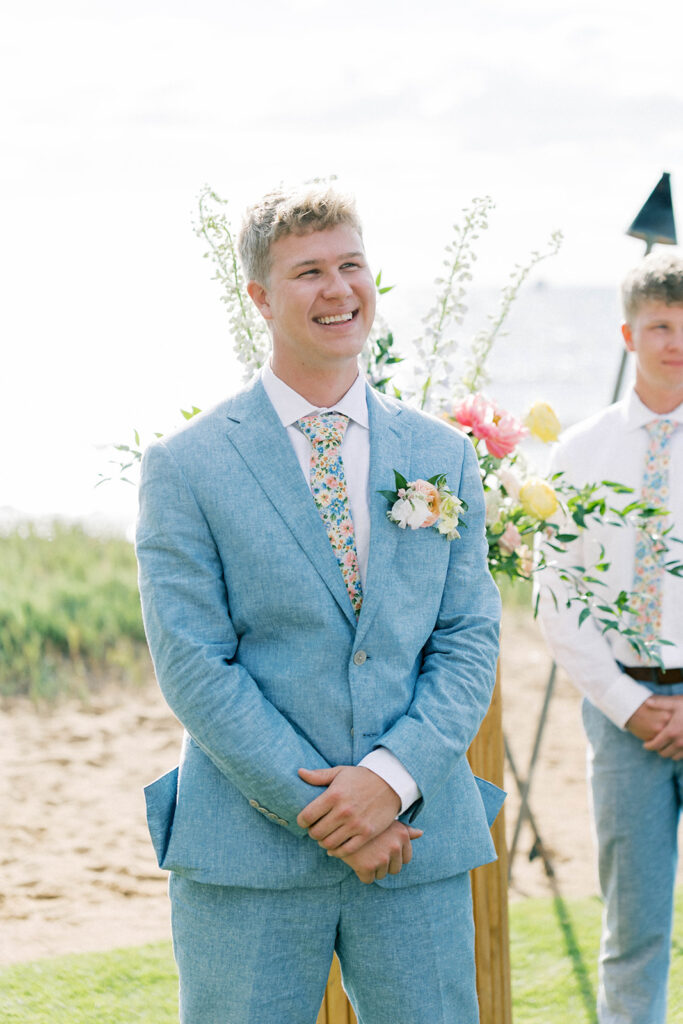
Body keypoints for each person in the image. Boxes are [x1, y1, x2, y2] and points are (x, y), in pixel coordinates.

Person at [136, 184, 503, 1024]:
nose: (337, 291)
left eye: (350, 265)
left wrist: (389, 781)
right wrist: (334, 812)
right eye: (307, 272)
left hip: (416, 841)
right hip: (249, 851)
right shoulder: (187, 466)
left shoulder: (441, 453)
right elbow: (195, 664)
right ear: (260, 298)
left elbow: (467, 638)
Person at [537, 251, 683, 1024]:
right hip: (622, 713)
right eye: (659, 323)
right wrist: (630, 704)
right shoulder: (579, 453)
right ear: (628, 333)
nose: (675, 340)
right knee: (633, 924)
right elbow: (557, 598)